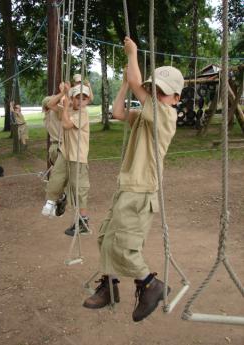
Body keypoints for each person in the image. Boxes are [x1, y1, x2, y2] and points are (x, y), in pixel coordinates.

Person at [82, 37, 184, 322]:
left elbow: (139, 81)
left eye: (163, 92)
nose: (156, 94)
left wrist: (132, 55)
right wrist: (126, 85)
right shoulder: (144, 116)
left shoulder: (166, 116)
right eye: (155, 89)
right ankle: (110, 287)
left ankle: (150, 284)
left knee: (125, 246)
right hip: (126, 187)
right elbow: (117, 112)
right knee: (105, 239)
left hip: (141, 190)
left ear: (176, 99)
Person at [41, 83, 91, 237]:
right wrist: (63, 92)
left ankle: (83, 222)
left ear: (88, 101)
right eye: (77, 98)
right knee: (56, 178)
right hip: (65, 153)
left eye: (84, 98)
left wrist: (66, 107)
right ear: (72, 98)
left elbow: (67, 124)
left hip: (78, 156)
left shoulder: (83, 114)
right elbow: (50, 104)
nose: (80, 101)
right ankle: (52, 202)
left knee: (78, 188)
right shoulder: (68, 109)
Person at [42, 83, 64, 166]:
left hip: (54, 148)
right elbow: (62, 105)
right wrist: (63, 91)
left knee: (56, 171)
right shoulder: (53, 113)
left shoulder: (46, 117)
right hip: (60, 147)